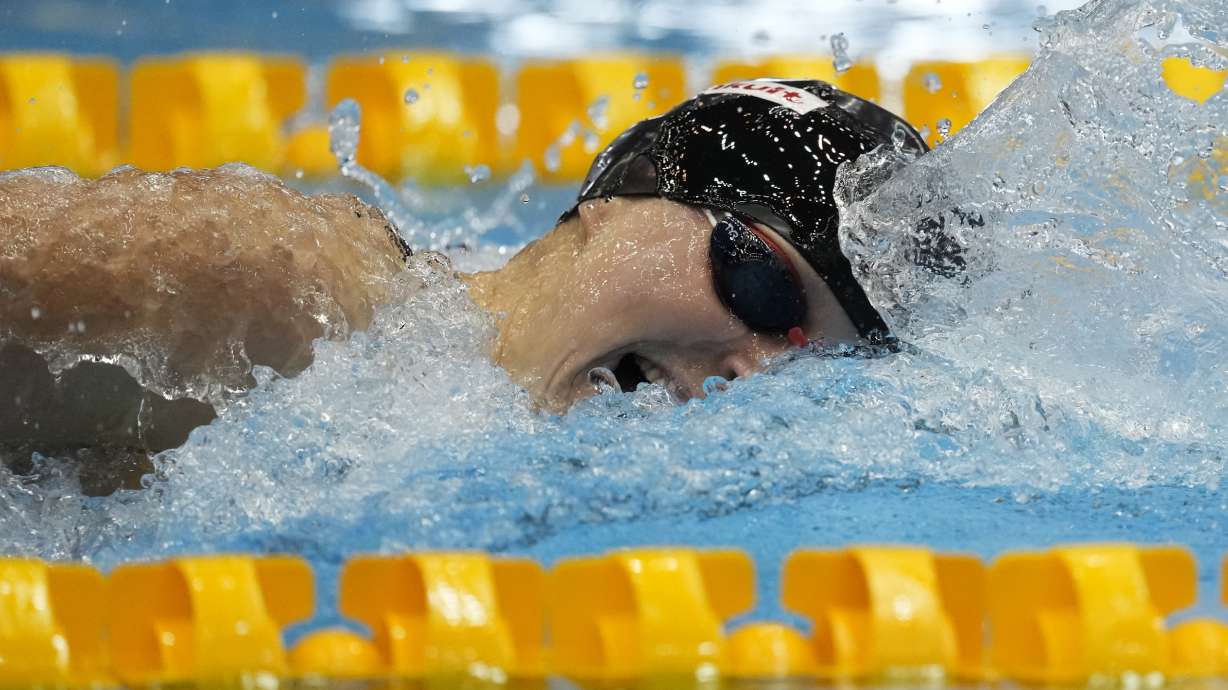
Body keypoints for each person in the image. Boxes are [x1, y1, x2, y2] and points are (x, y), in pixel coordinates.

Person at [0, 78, 924, 491]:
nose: (750, 376)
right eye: (764, 290)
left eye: (802, 365)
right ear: (627, 193)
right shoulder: (290, 286)